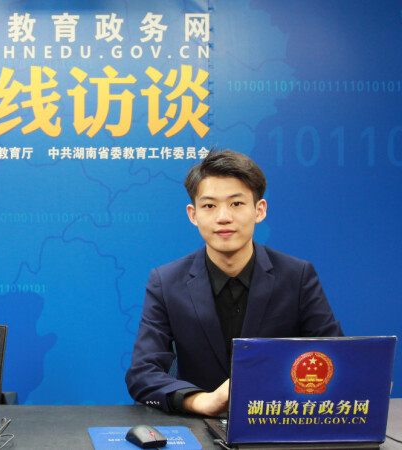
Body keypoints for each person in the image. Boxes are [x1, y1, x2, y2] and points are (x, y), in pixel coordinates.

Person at [125, 149, 343, 416]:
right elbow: (142, 373)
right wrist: (200, 400)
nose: (223, 217)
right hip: (198, 424)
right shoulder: (167, 281)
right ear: (193, 215)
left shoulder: (297, 277)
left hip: (279, 421)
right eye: (209, 206)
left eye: (236, 204)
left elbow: (336, 358)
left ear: (259, 210)